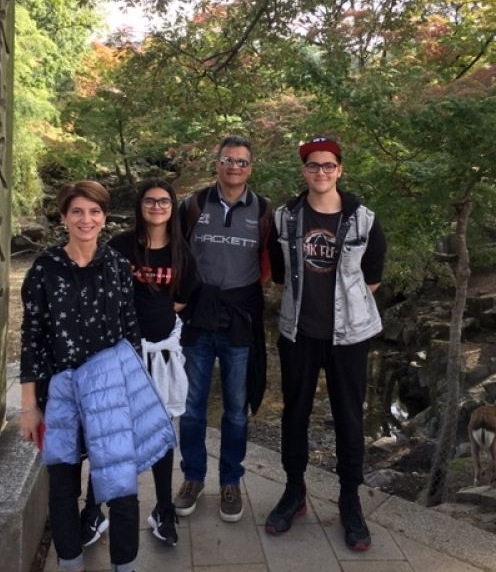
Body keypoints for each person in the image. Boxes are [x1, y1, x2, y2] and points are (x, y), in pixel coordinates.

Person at [19, 180, 174, 572]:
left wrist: (139, 391)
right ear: (65, 217)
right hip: (61, 389)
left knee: (122, 487)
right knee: (62, 483)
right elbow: (32, 337)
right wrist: (28, 406)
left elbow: (129, 331)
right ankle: (69, 560)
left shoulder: (118, 266)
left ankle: (125, 565)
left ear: (104, 218)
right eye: (77, 212)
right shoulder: (45, 269)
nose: (86, 220)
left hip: (110, 388)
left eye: (94, 212)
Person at [265, 136, 386, 551]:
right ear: (304, 170)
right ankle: (293, 491)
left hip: (349, 337)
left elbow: (372, 278)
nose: (321, 172)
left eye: (328, 165)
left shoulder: (364, 220)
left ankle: (349, 498)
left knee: (350, 418)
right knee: (294, 415)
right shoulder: (285, 218)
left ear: (340, 169)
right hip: (298, 333)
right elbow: (280, 274)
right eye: (313, 166)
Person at [174, 135, 272, 522]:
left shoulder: (263, 210)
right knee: (192, 407)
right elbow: (175, 251)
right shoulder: (194, 205)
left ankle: (231, 480)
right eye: (228, 160)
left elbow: (272, 260)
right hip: (197, 316)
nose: (234, 167)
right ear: (217, 164)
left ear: (251, 168)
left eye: (242, 162)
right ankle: (193, 477)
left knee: (235, 409)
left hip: (240, 318)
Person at [108, 178, 198, 546]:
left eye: (164, 201)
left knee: (161, 433)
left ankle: (163, 508)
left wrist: (160, 313)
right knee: (113, 434)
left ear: (172, 206)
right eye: (150, 200)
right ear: (139, 205)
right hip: (119, 353)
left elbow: (187, 297)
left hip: (160, 353)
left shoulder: (181, 251)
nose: (157, 206)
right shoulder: (120, 246)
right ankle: (99, 508)